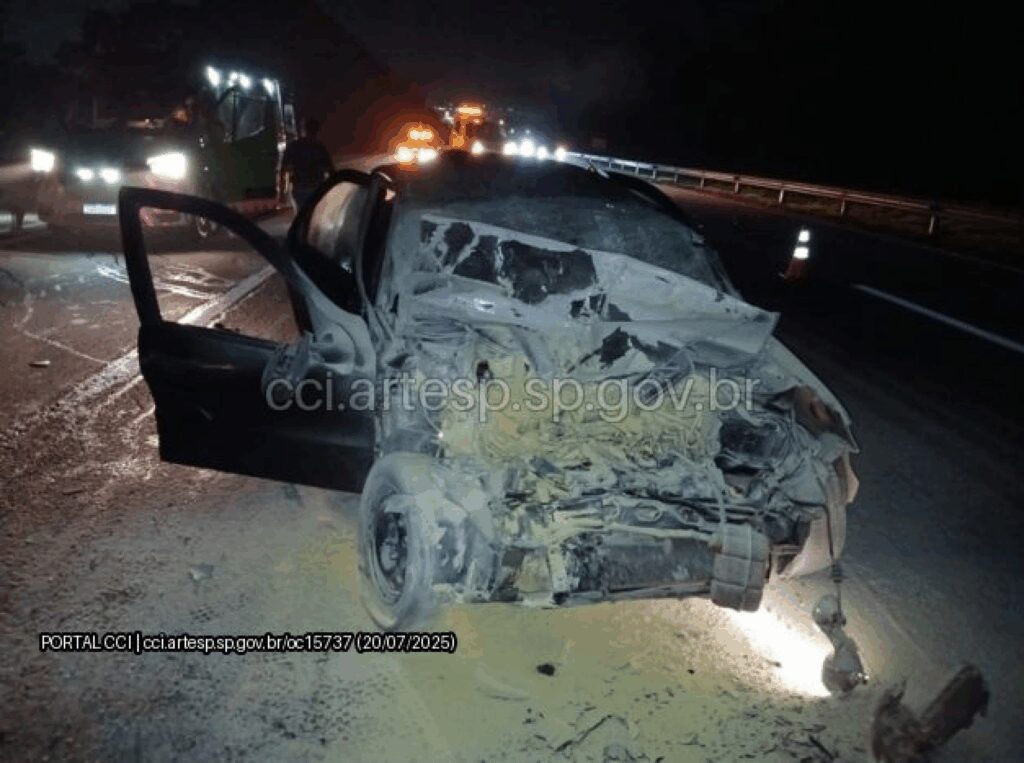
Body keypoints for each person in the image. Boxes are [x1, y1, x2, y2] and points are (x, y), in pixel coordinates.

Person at [278, 118, 333, 211]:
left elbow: (283, 170)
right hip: (317, 188)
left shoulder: (294, 146)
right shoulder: (320, 148)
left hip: (300, 188)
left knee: (302, 214)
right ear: (317, 131)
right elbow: (330, 171)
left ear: (303, 130)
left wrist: (282, 194)